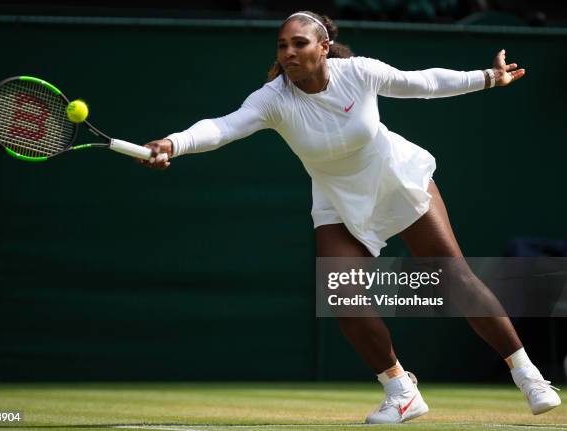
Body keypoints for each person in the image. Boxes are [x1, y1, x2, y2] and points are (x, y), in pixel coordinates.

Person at [138, 11, 561, 424]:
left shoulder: (357, 72)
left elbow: (425, 83)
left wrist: (488, 77)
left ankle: (529, 378)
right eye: (282, 45)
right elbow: (224, 127)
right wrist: (174, 143)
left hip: (395, 178)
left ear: (323, 48)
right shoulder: (273, 98)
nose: (288, 52)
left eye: (299, 43)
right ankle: (401, 391)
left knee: (453, 277)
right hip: (337, 199)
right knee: (342, 294)